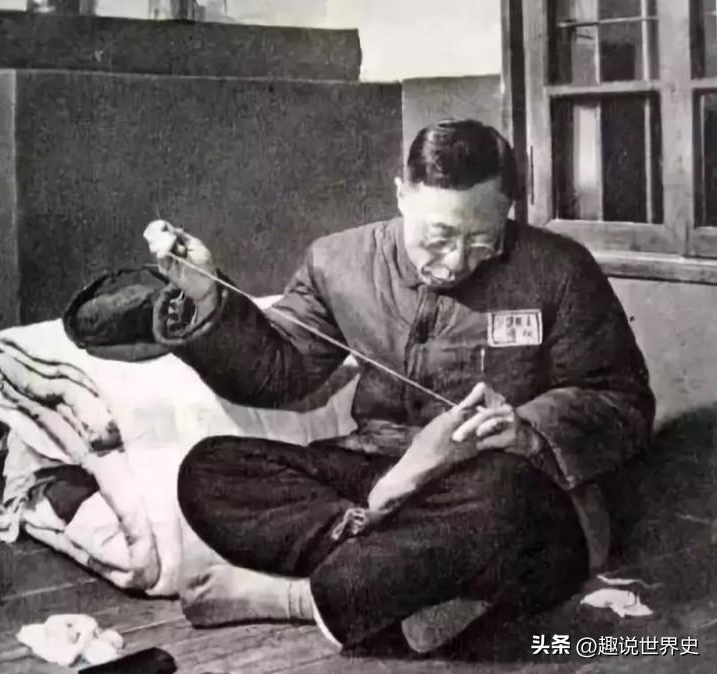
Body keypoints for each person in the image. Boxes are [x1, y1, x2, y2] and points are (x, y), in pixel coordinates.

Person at [65, 119, 655, 654]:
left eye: (482, 241)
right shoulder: (339, 260)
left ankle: (299, 598)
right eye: (439, 237)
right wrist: (207, 297)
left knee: (509, 511)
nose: (457, 261)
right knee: (210, 472)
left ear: (507, 209)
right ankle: (413, 585)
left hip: (495, 485)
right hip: (378, 475)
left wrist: (527, 430)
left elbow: (622, 399)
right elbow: (278, 371)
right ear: (401, 194)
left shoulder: (559, 269)